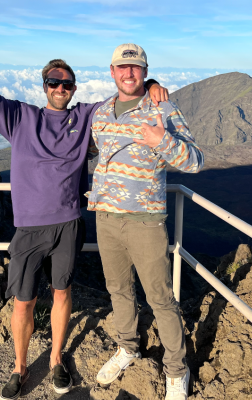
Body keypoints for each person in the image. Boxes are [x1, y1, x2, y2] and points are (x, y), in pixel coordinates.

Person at [0, 41, 169, 399]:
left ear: (74, 89)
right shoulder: (21, 117)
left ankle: (57, 358)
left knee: (62, 292)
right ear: (44, 86)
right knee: (23, 300)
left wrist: (150, 85)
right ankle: (19, 367)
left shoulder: (85, 115)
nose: (60, 88)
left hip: (69, 223)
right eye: (53, 82)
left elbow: (125, 93)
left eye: (67, 84)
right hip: (28, 227)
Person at [87, 43, 204, 400]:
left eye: (136, 68)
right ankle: (128, 348)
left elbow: (196, 160)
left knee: (160, 298)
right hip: (106, 218)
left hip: (146, 221)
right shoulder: (101, 112)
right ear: (111, 71)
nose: (128, 73)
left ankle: (176, 371)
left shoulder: (161, 107)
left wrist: (163, 140)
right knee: (118, 290)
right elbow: (93, 150)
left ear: (145, 70)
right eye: (122, 67)